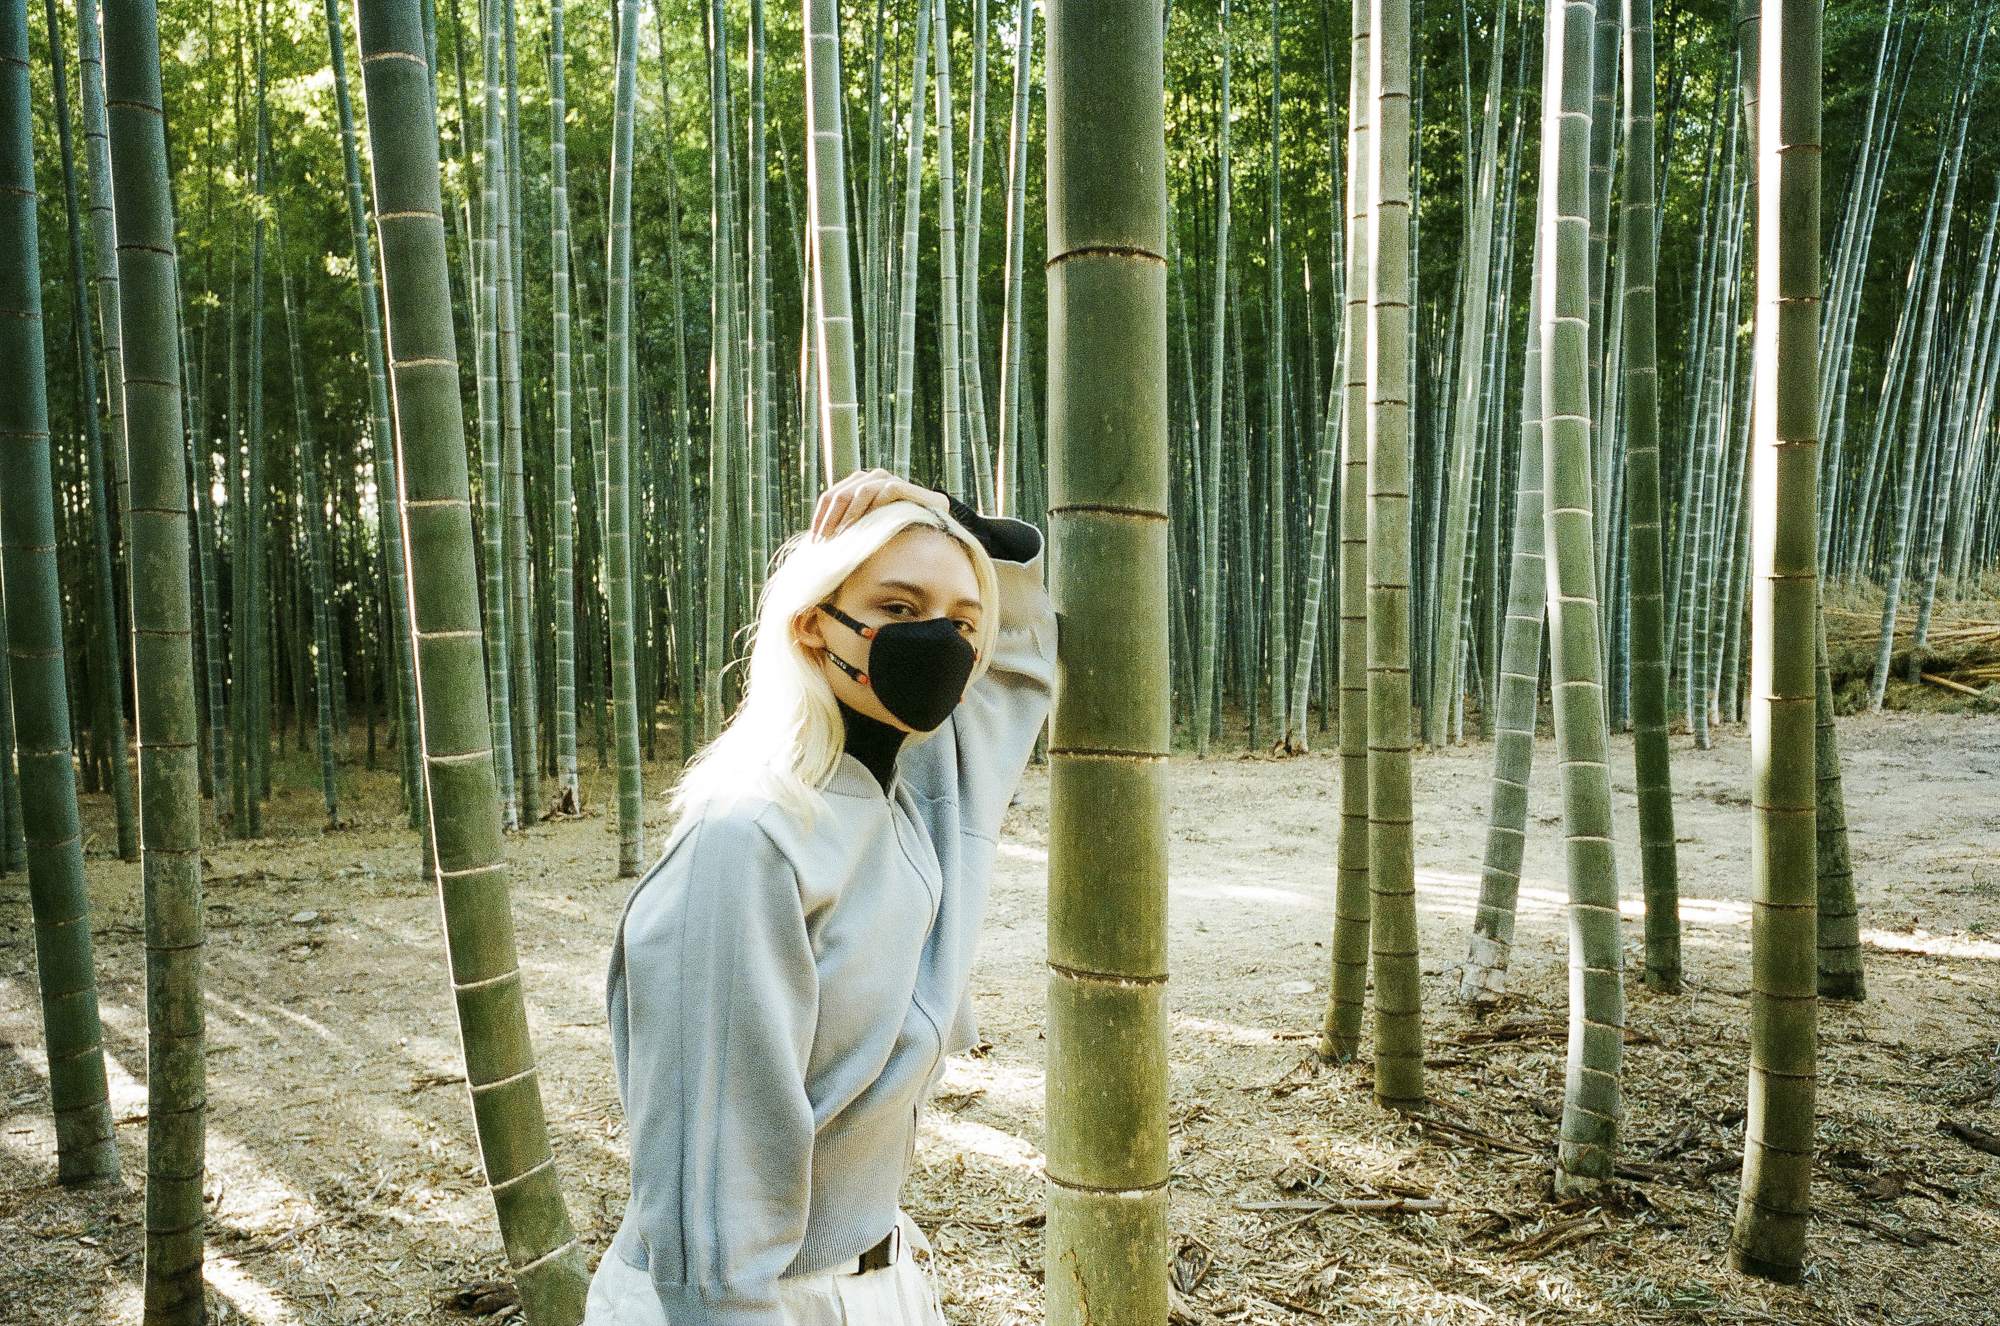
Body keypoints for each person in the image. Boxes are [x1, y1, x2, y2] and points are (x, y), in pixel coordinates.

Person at [586, 469, 1056, 1326]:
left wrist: (944, 509)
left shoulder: (925, 797)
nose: (940, 643)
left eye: (960, 623)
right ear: (813, 627)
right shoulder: (749, 840)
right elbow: (711, 1183)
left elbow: (1026, 644)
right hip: (747, 1303)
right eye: (898, 609)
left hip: (881, 1278)